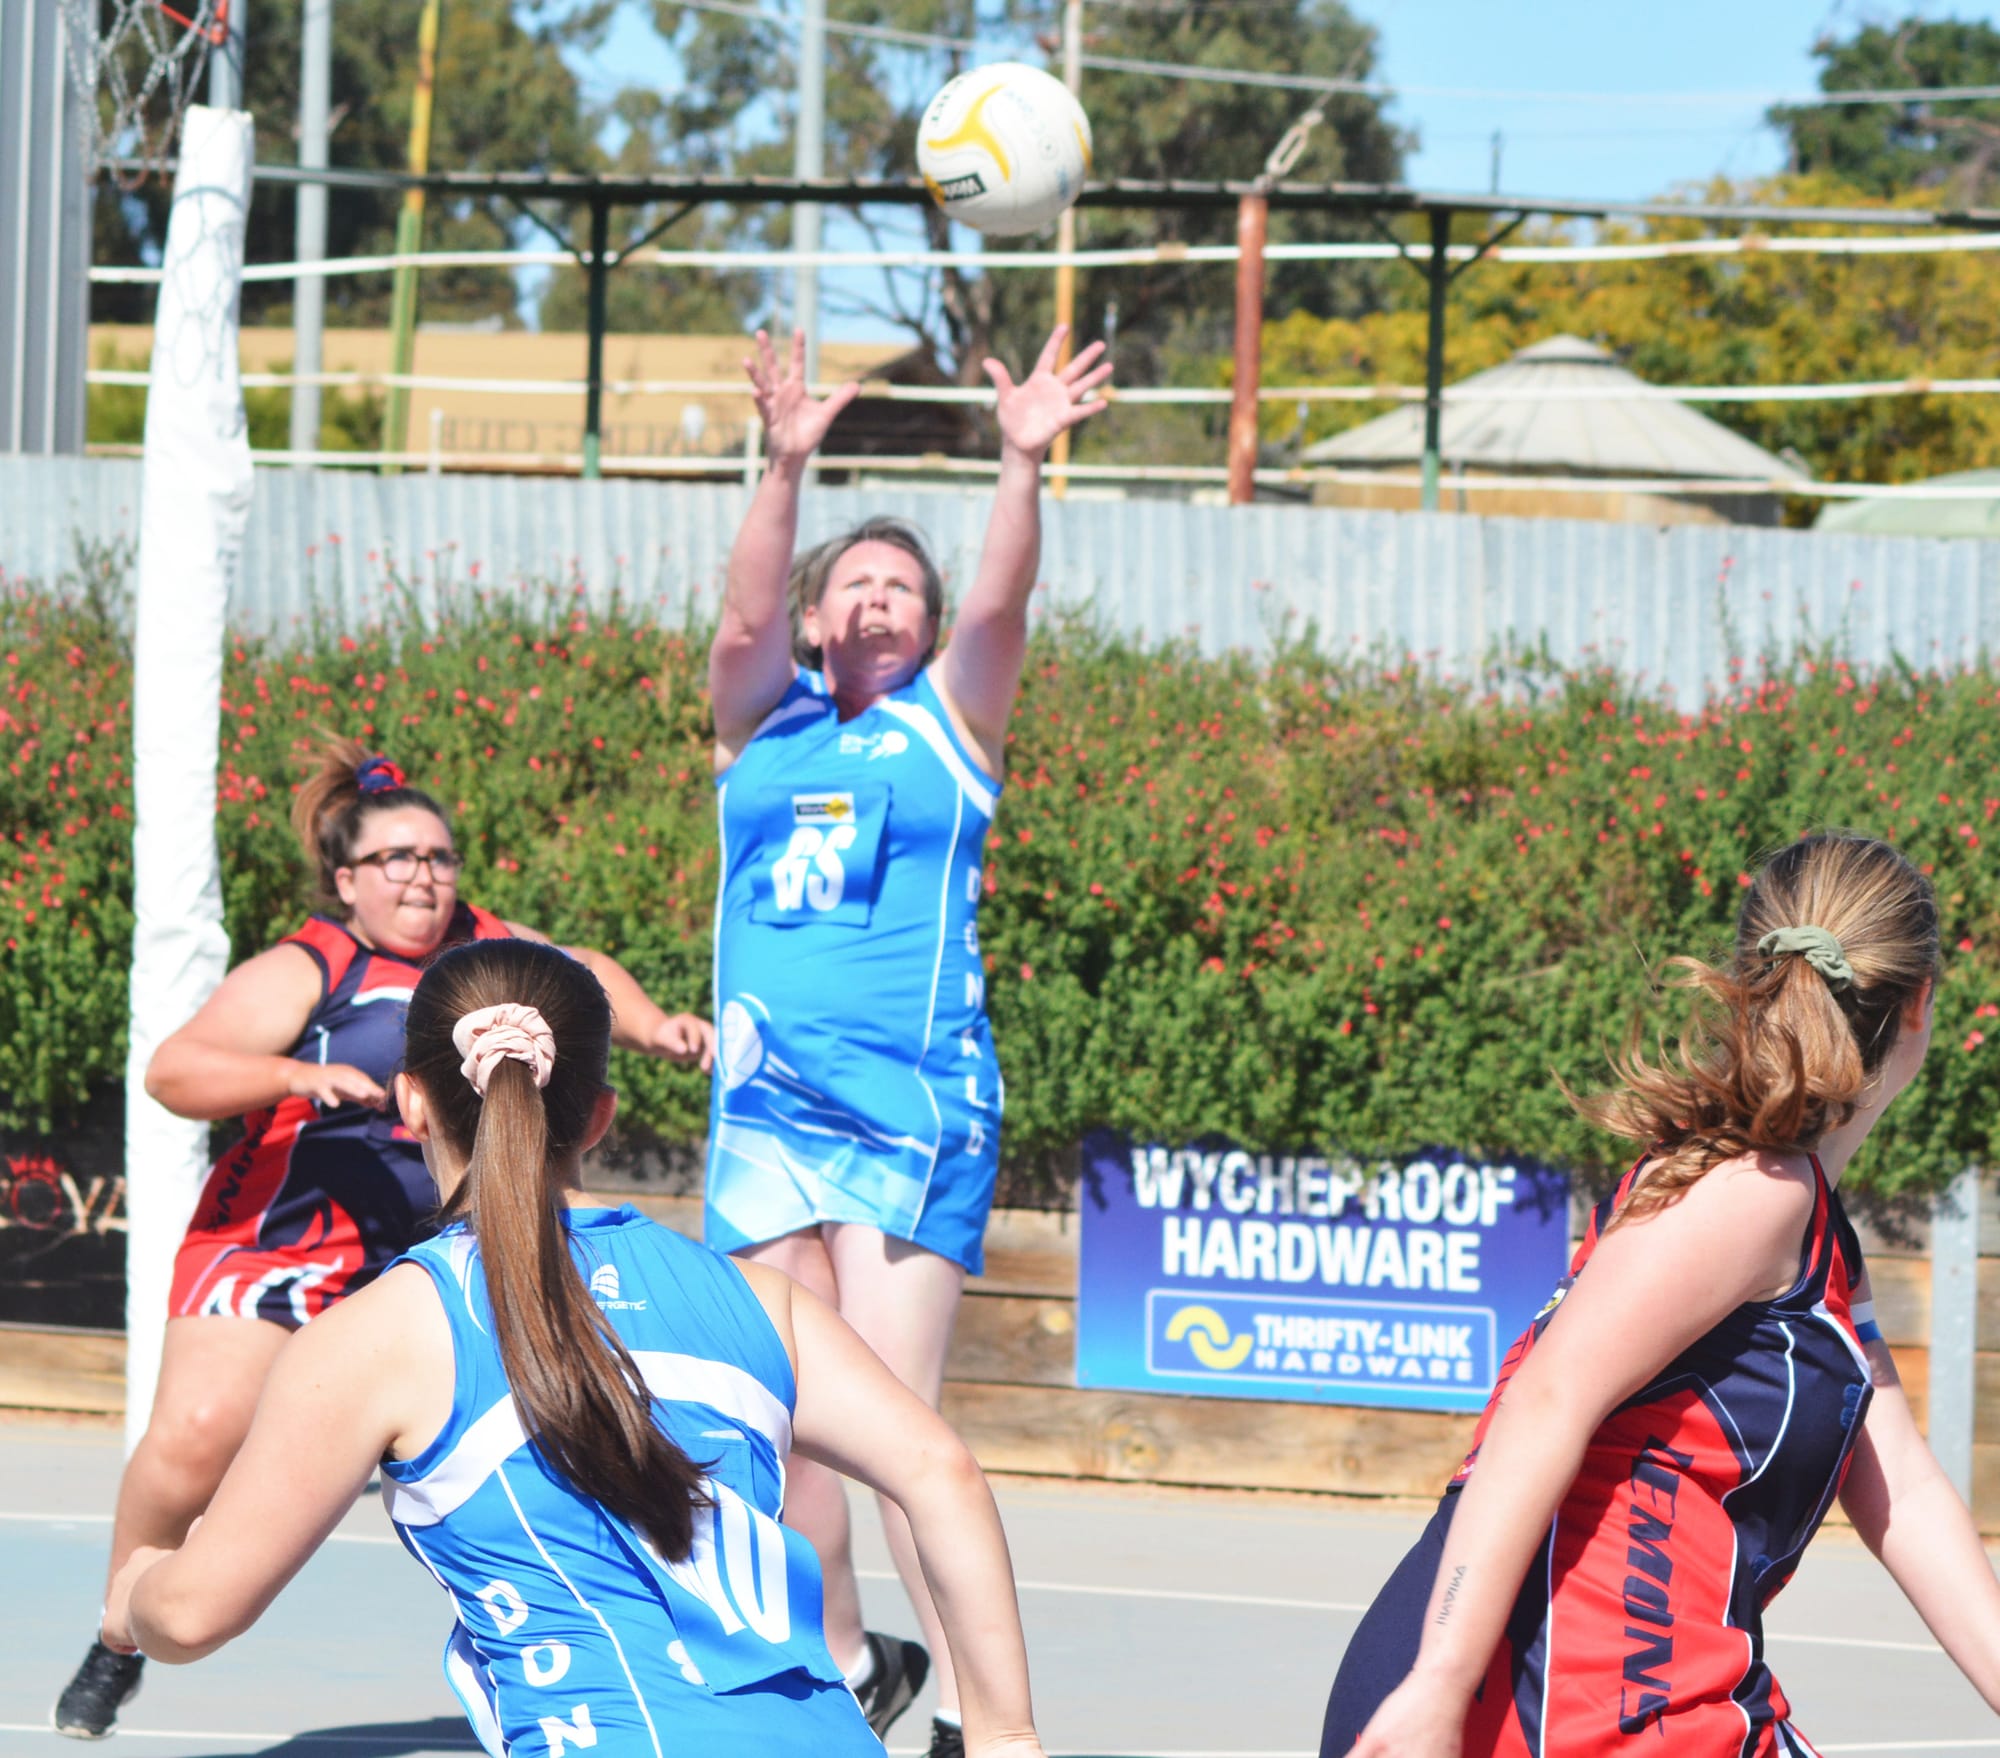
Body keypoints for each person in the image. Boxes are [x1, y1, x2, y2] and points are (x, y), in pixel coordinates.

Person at [100, 939, 1048, 1758]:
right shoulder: (758, 1298)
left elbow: (193, 1614)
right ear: (599, 1115)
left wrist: (138, 1592)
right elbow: (941, 1472)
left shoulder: (382, 1332)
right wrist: (1005, 1735)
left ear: (412, 1103)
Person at [55, 738, 714, 1738]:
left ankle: (648, 1641)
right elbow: (175, 1072)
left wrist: (657, 1025)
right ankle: (118, 1636)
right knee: (193, 1441)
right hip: (282, 1232)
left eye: (440, 857)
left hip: (438, 1240)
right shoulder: (311, 965)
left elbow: (585, 974)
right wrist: (293, 1078)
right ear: (347, 879)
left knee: (578, 1412)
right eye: (399, 859)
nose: (424, 876)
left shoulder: (489, 946)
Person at [1321, 830, 2000, 1756]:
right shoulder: (1755, 1194)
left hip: (1608, 1679)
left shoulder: (1803, 1227)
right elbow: (1548, 1398)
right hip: (1562, 1688)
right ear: (1920, 1004)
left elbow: (1905, 1492)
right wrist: (1438, 1682)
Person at [703, 324, 1110, 1753]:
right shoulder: (762, 728)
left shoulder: (950, 724)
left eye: (905, 585)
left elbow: (1004, 603)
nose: (881, 594)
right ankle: (840, 1659)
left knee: (891, 1435)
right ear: (823, 619)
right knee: (780, 1421)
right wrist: (787, 460)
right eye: (856, 580)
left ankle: (974, 1713)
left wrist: (1018, 461)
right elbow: (746, 621)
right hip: (764, 1115)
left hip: (905, 1111)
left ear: (927, 628)